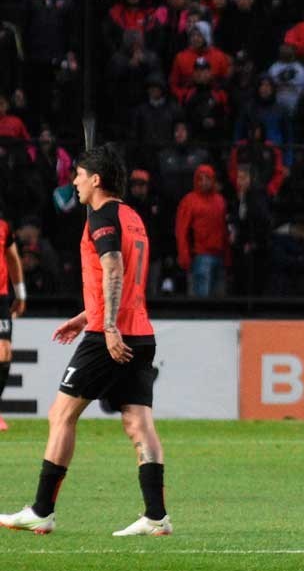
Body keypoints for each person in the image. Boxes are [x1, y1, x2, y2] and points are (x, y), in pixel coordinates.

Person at [0, 145, 171, 536]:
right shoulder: (132, 216)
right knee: (139, 422)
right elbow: (125, 279)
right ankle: (156, 516)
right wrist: (86, 316)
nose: (73, 181)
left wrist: (106, 326)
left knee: (61, 415)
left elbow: (113, 269)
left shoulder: (102, 217)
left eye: (78, 175)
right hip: (140, 332)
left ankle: (42, 510)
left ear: (96, 180)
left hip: (111, 335)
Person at [174, 165, 228, 298]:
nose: (203, 182)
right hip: (200, 255)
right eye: (200, 179)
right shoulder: (189, 201)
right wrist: (184, 255)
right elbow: (181, 230)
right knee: (201, 298)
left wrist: (227, 256)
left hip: (219, 255)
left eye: (207, 178)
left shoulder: (220, 201)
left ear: (213, 180)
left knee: (219, 298)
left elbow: (225, 230)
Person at [0, 211, 25, 431]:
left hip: (1, 298)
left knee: (4, 352)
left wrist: (21, 293)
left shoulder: (3, 225)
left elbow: (12, 257)